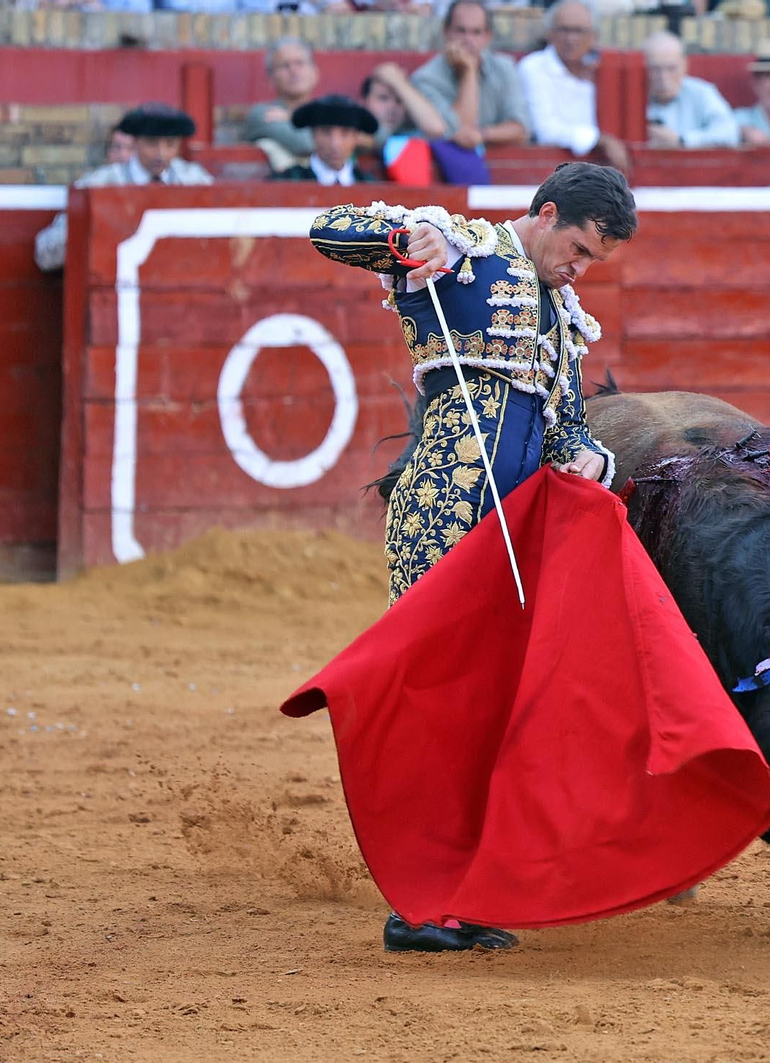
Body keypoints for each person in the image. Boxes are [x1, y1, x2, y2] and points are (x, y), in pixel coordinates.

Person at [307, 162, 637, 951]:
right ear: (547, 213)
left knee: (494, 706)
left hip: (514, 529)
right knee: (442, 701)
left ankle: (463, 886)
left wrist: (589, 457)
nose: (580, 269)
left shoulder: (563, 317)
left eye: (594, 261)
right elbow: (328, 227)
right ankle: (421, 904)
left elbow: (566, 428)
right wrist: (408, 236)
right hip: (444, 514)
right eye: (579, 250)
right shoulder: (463, 248)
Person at [33, 105, 212, 272]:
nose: (161, 154)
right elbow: (45, 254)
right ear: (135, 142)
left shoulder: (195, 180)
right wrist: (96, 227)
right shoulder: (100, 184)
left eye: (170, 144)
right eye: (151, 143)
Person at [517, 0, 631, 172]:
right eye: (564, 30)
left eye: (579, 31)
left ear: (594, 36)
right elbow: (546, 131)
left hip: (603, 171)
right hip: (550, 171)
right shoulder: (533, 67)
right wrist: (599, 140)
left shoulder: (603, 67)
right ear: (549, 33)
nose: (571, 38)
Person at [409, 0, 532, 150]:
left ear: (488, 36)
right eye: (461, 31)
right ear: (446, 32)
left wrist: (482, 135)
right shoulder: (425, 78)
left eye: (476, 32)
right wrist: (469, 72)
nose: (468, 40)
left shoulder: (504, 67)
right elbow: (457, 132)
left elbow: (522, 129)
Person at [643, 32, 739, 150]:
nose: (663, 77)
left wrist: (682, 140)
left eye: (671, 68)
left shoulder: (701, 92)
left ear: (684, 65)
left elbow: (729, 133)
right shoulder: (632, 94)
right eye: (655, 69)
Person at [243, 39, 322, 172]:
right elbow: (306, 144)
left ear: (315, 72)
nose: (294, 71)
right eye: (285, 65)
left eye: (300, 63)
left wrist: (291, 117)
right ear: (271, 79)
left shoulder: (328, 109)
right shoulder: (262, 114)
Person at [269, 96, 379, 185]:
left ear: (355, 137)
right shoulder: (288, 180)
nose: (335, 143)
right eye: (326, 132)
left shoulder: (369, 184)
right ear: (313, 134)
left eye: (345, 133)